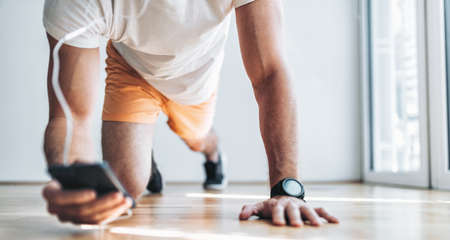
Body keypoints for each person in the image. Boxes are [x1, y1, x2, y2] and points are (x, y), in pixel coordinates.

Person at [42, 0, 339, 227]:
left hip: (195, 81)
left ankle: (211, 151)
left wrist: (286, 189)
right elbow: (68, 117)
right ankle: (146, 157)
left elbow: (269, 73)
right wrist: (72, 178)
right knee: (120, 189)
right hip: (132, 72)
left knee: (197, 137)